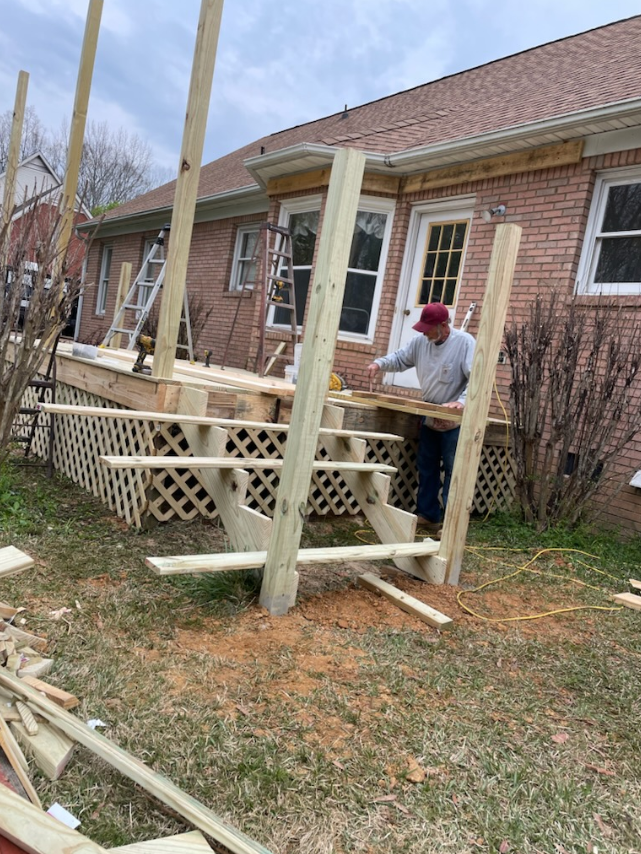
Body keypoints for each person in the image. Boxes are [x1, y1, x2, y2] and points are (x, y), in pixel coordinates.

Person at [367, 302, 475, 534]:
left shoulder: (464, 343)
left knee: (453, 472)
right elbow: (400, 359)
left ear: (443, 325)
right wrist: (379, 364)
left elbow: (476, 378)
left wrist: (462, 402)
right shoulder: (421, 342)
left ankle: (451, 525)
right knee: (426, 467)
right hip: (429, 414)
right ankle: (428, 515)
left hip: (454, 419)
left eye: (428, 328)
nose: (424, 333)